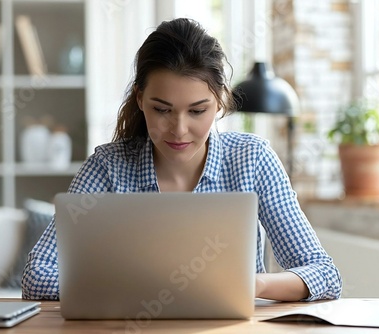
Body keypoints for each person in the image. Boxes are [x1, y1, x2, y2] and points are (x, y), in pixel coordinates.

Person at [22, 18, 342, 302]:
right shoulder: (108, 167)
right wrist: (143, 289)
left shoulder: (253, 159)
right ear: (140, 99)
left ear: (219, 102)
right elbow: (37, 275)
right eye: (162, 109)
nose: (179, 129)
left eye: (197, 110)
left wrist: (250, 284)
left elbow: (324, 275)